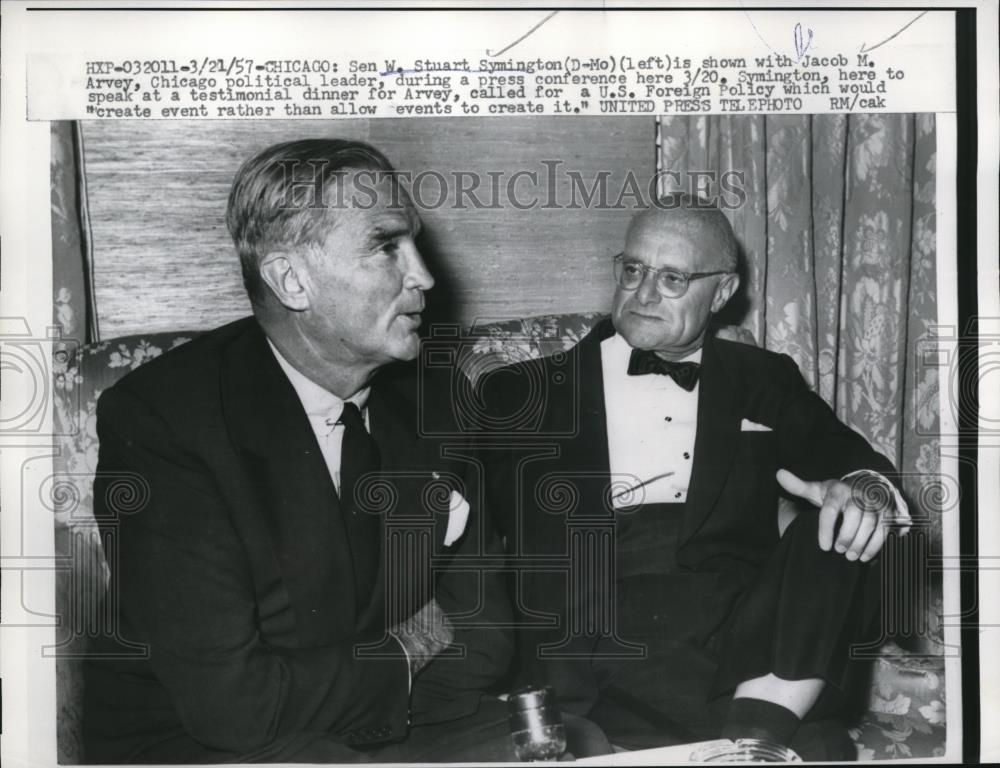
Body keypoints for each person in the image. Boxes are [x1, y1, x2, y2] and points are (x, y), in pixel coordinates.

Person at [81, 139, 608, 763]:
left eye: (413, 243)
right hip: (209, 744)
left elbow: (484, 642)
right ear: (291, 280)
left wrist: (355, 681)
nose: (424, 276)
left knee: (576, 745)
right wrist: (411, 646)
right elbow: (233, 705)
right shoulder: (165, 418)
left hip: (401, 716)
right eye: (386, 247)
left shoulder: (439, 396)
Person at [478, 194, 912, 761]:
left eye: (673, 278)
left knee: (839, 521)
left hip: (747, 631)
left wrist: (861, 492)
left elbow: (853, 459)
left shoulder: (764, 378)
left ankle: (755, 729)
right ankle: (761, 732)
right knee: (818, 744)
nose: (644, 293)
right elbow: (472, 537)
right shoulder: (520, 392)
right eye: (633, 270)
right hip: (604, 630)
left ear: (723, 292)